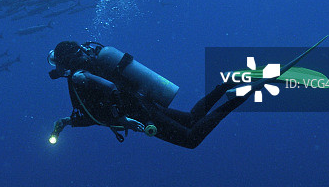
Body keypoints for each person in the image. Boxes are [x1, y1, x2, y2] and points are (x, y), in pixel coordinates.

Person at [47, 40, 262, 149]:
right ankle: (226, 84)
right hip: (142, 103)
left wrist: (123, 119)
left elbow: (110, 90)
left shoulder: (78, 77)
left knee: (191, 139)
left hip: (140, 114)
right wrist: (67, 122)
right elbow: (95, 114)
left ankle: (242, 95)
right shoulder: (89, 67)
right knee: (191, 118)